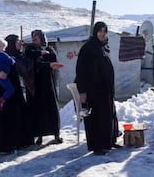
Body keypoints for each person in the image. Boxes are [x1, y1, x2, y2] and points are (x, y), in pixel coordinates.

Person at [0, 35, 33, 153]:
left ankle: (16, 142)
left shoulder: (18, 56)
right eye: (17, 41)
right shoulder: (2, 56)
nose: (20, 43)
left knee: (14, 116)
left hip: (13, 91)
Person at [75, 21, 121, 155]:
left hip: (105, 89)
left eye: (104, 31)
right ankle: (97, 146)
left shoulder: (104, 47)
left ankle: (109, 142)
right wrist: (82, 91)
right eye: (100, 31)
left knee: (108, 116)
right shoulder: (88, 48)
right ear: (95, 32)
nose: (102, 34)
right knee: (96, 118)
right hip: (93, 90)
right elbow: (81, 71)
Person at [24, 30, 64, 145]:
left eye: (36, 36)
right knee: (38, 110)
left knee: (51, 109)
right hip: (35, 85)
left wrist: (44, 57)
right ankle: (39, 136)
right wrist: (40, 54)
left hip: (48, 84)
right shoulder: (30, 49)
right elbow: (29, 58)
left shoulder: (50, 49)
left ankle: (56, 134)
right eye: (33, 36)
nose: (34, 38)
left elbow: (52, 59)